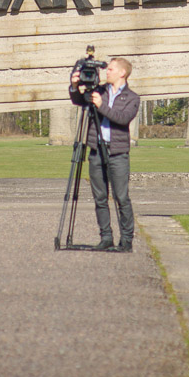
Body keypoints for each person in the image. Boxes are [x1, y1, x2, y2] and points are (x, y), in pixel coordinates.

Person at [68, 56, 140, 252]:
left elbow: (123, 119)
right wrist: (74, 86)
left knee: (121, 197)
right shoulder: (98, 91)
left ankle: (126, 240)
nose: (106, 72)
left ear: (122, 73)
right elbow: (78, 101)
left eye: (110, 69)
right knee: (100, 197)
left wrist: (102, 106)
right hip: (96, 151)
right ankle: (106, 237)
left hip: (117, 153)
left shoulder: (132, 98)